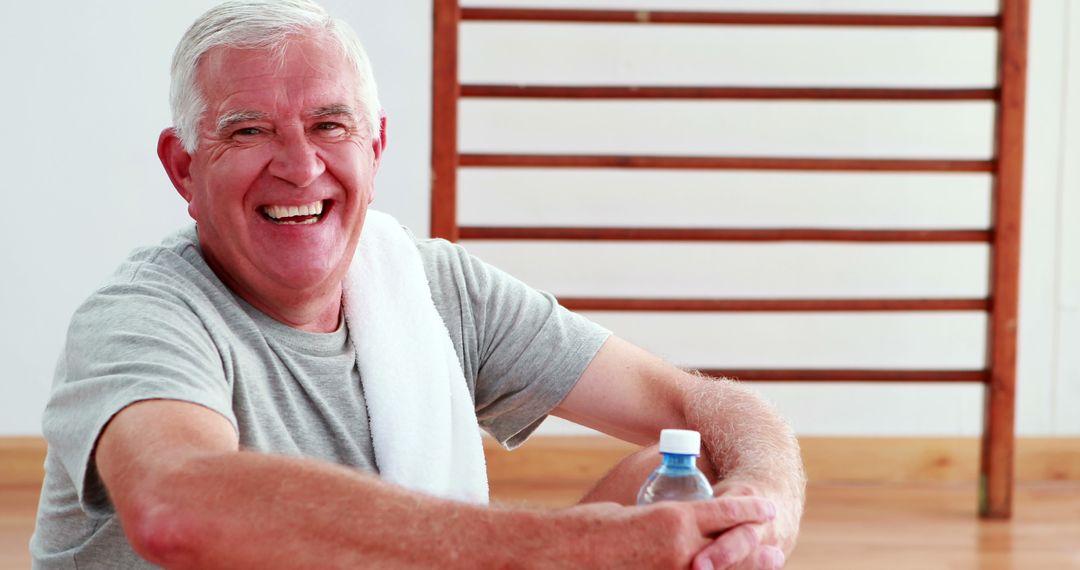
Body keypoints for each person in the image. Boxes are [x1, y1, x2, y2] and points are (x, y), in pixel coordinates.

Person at [30, 1, 805, 568]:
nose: (299, 166)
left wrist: (764, 511)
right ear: (183, 169)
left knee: (670, 482)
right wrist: (570, 548)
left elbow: (698, 406)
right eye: (249, 130)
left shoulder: (429, 285)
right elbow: (177, 505)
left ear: (376, 145)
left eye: (330, 126)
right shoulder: (139, 319)